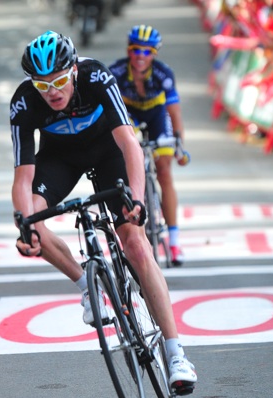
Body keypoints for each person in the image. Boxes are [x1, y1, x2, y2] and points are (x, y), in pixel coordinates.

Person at [10, 30, 197, 394]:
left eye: (60, 80)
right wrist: (25, 226)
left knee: (135, 241)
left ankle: (176, 355)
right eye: (42, 84)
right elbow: (23, 176)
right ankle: (88, 285)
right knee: (29, 217)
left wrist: (138, 201)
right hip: (59, 159)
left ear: (74, 71)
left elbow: (129, 142)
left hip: (107, 151)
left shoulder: (96, 76)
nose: (52, 91)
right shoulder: (23, 102)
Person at [108, 25, 190, 267]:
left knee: (164, 171)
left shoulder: (164, 74)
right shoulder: (116, 72)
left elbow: (174, 113)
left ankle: (174, 242)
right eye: (136, 50)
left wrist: (179, 146)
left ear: (155, 53)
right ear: (128, 50)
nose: (141, 56)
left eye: (147, 51)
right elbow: (110, 111)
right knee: (129, 155)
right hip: (128, 114)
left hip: (156, 114)